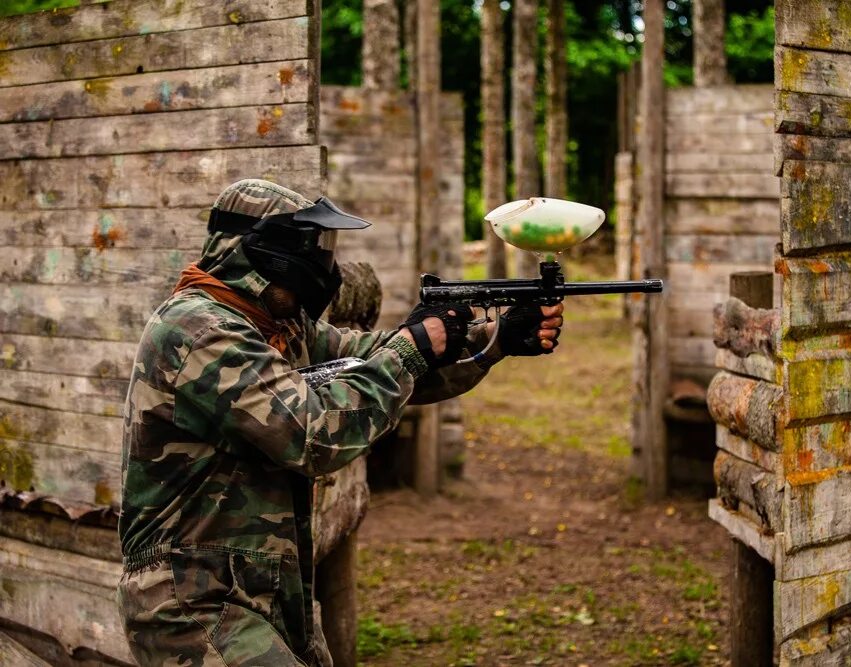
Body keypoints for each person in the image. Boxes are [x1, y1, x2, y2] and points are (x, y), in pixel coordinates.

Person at [116, 179, 563, 666]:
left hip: (265, 591)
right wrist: (411, 349)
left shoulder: (277, 328)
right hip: (191, 597)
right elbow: (311, 434)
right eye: (313, 246)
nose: (324, 265)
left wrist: (490, 339)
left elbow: (368, 364)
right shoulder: (198, 330)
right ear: (265, 252)